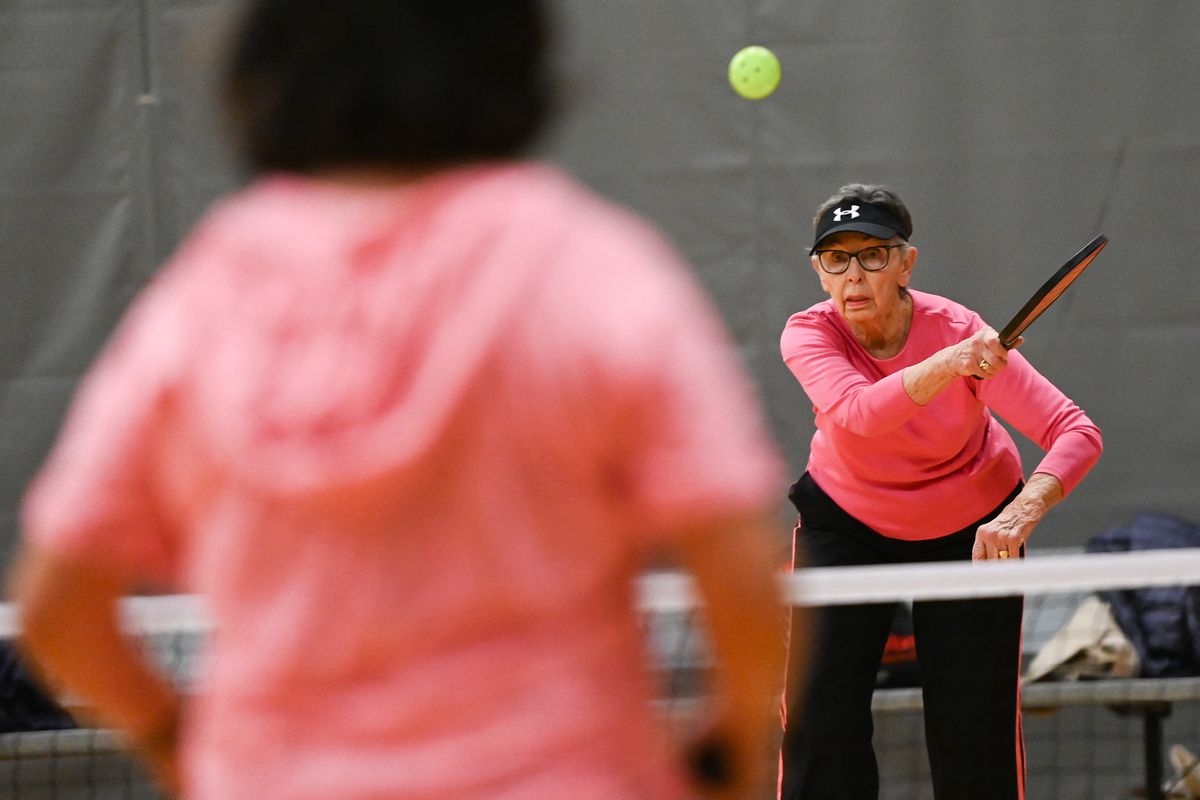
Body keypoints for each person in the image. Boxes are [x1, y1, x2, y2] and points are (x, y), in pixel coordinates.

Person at [8, 2, 793, 799]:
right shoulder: (589, 268)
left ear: (261, 71)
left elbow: (57, 602)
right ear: (515, 62)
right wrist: (727, 749)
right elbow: (738, 561)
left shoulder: (200, 298)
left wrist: (176, 742)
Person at [777, 183, 1102, 800]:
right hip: (846, 523)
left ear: (906, 262)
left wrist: (1022, 511)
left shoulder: (960, 330)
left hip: (972, 529)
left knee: (973, 730)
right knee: (819, 720)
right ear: (818, 273)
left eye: (873, 254)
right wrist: (951, 364)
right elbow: (858, 414)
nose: (854, 274)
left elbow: (1075, 431)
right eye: (835, 258)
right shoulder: (808, 334)